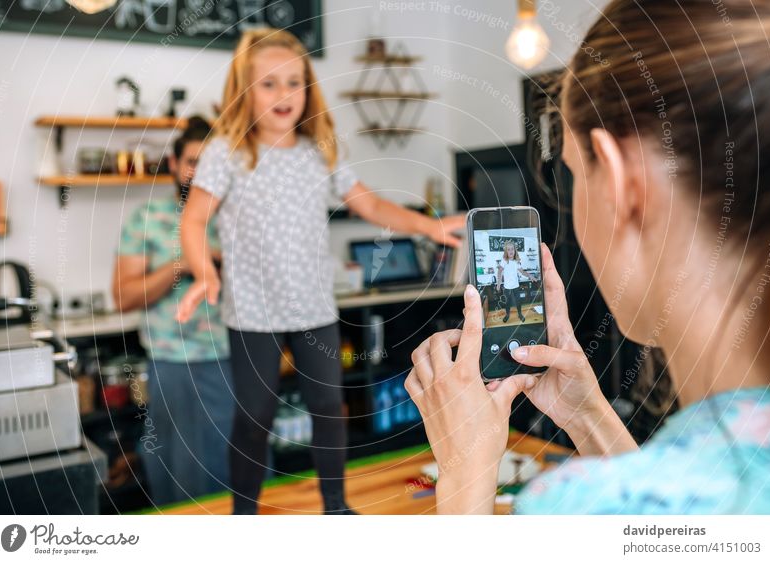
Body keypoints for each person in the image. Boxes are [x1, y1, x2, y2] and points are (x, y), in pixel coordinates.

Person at [405, 0, 770, 514]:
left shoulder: (570, 507)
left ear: (624, 185)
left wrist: (464, 471)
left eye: (574, 175)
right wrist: (587, 416)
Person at [175, 28, 465, 515]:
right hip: (251, 310)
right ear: (244, 91)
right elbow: (195, 220)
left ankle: (336, 506)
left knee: (328, 409)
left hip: (313, 306)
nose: (283, 94)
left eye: (294, 81)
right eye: (268, 84)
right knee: (256, 417)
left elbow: (369, 204)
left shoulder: (320, 153)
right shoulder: (227, 153)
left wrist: (427, 225)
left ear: (308, 88)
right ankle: (242, 514)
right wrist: (205, 272)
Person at [113, 117, 234, 506]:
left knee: (237, 467)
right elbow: (124, 296)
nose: (200, 173)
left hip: (237, 359)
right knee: (178, 474)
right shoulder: (147, 218)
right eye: (193, 161)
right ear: (173, 164)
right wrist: (189, 262)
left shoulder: (237, 218)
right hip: (173, 362)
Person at [496, 240, 538, 323]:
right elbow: (499, 271)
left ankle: (520, 314)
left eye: (512, 249)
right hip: (507, 287)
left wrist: (530, 275)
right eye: (508, 249)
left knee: (518, 302)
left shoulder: (516, 262)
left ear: (515, 251)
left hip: (516, 286)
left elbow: (522, 272)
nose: (511, 251)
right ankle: (507, 315)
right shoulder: (504, 260)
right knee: (508, 303)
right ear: (506, 251)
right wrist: (498, 283)